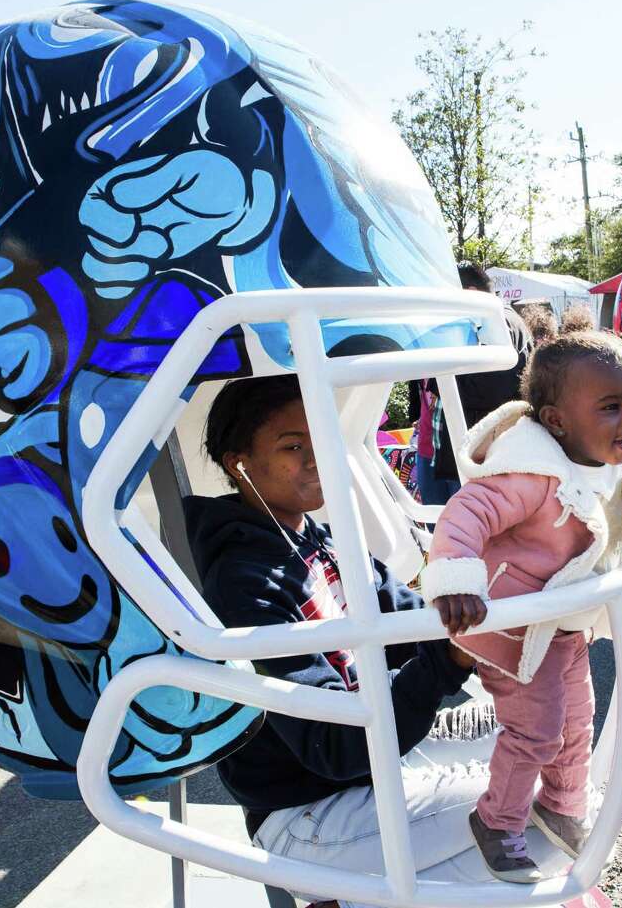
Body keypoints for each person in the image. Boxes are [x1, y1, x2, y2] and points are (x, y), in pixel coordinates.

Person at [186, 374, 500, 907]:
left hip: (371, 765)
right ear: (242, 465)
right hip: (306, 816)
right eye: (293, 446)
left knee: (543, 739)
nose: (316, 458)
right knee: (525, 806)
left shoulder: (319, 539)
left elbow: (409, 618)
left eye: (322, 439)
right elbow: (335, 746)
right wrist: (446, 659)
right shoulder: (244, 584)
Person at [421, 331, 622, 882]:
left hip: (564, 624)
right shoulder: (531, 473)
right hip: (513, 628)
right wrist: (457, 581)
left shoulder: (621, 465)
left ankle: (560, 803)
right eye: (611, 408)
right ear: (557, 421)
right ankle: (498, 819)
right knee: (537, 731)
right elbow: (467, 515)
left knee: (577, 721)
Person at [410, 261, 531, 505]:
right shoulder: (476, 323)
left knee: (463, 535)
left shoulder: (503, 324)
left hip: (472, 457)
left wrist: (437, 379)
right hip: (441, 450)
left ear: (471, 294)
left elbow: (494, 387)